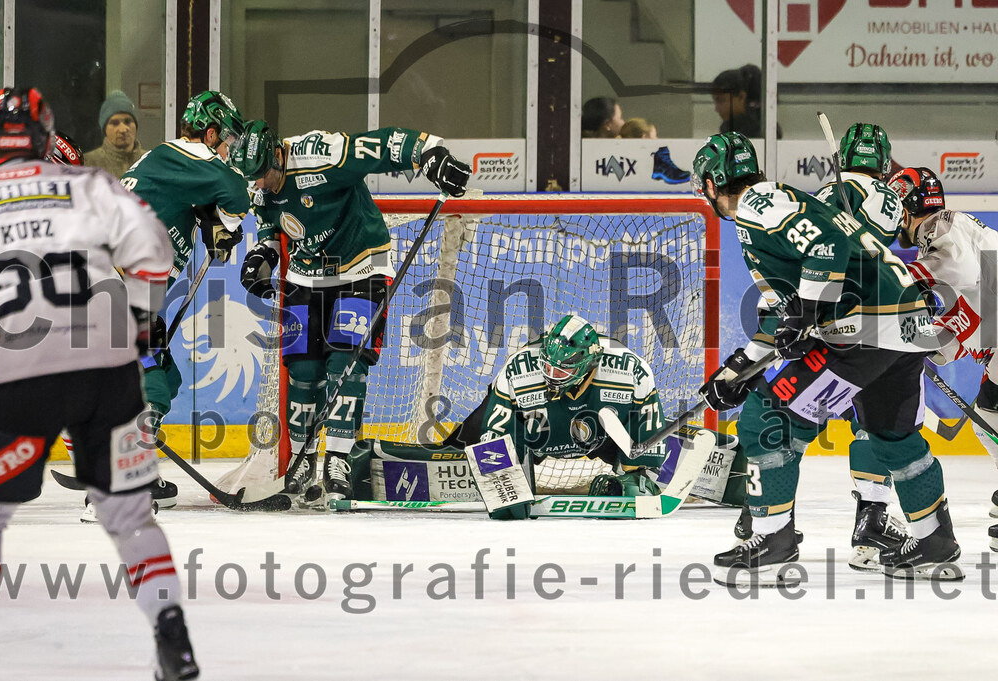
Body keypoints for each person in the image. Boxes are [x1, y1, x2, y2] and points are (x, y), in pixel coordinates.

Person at [0, 87, 198, 679]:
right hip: (105, 363)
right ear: (49, 136)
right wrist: (141, 325)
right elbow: (153, 254)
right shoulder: (90, 183)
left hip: (19, 368)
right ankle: (173, 637)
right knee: (130, 519)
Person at [693, 132, 960, 586]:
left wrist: (807, 313)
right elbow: (788, 311)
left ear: (714, 184)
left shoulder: (760, 204)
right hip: (902, 324)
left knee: (767, 419)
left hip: (864, 329)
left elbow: (826, 253)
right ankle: (934, 542)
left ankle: (773, 538)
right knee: (890, 435)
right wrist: (738, 368)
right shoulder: (781, 201)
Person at [230, 119, 471, 502]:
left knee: (347, 362)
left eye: (263, 174)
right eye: (253, 178)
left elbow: (380, 143)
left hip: (361, 269)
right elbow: (270, 226)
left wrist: (431, 154)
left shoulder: (319, 156)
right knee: (304, 370)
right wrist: (263, 254)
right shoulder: (255, 180)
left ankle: (337, 459)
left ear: (278, 153)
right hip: (306, 277)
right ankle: (305, 458)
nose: (259, 183)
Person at [117, 90, 251, 511]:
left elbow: (198, 206)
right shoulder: (187, 152)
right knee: (152, 373)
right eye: (226, 138)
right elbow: (236, 192)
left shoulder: (174, 169)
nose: (228, 148)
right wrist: (226, 221)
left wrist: (212, 224)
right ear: (208, 132)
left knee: (164, 375)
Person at [440, 315, 671, 518]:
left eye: (561, 371)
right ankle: (444, 455)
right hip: (535, 437)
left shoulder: (630, 369)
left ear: (588, 363)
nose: (551, 376)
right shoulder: (518, 369)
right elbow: (495, 433)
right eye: (547, 367)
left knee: (636, 492)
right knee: (501, 500)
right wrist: (500, 481)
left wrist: (639, 473)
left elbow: (645, 422)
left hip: (603, 438)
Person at [811, 122, 911, 569]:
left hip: (829, 317)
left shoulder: (822, 193)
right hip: (881, 321)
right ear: (884, 160)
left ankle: (760, 520)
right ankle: (873, 524)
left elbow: (819, 248)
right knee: (888, 422)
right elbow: (877, 244)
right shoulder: (889, 197)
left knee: (799, 416)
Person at [893, 166, 998, 552]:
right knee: (988, 418)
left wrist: (897, 282)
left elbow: (960, 272)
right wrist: (921, 344)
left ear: (906, 209)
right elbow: (959, 324)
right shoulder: (945, 233)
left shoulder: (944, 235)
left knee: (991, 414)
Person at [83, 89, 147, 179]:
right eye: (115, 123)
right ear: (105, 129)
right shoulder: (88, 163)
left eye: (128, 121)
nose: (123, 129)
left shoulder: (150, 160)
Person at [711, 64, 782, 139]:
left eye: (721, 100)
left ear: (741, 97)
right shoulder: (729, 128)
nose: (716, 108)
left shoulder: (759, 129)